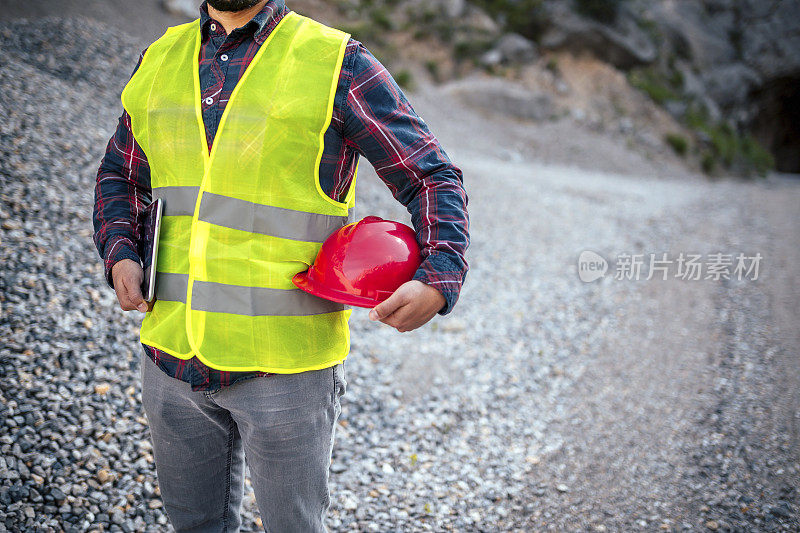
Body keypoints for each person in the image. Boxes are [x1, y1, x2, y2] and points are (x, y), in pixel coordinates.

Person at [92, 0, 469, 530]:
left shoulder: (335, 62)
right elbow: (121, 174)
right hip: (170, 356)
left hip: (286, 369)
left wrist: (439, 275)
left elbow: (430, 175)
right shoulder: (160, 57)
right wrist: (120, 253)